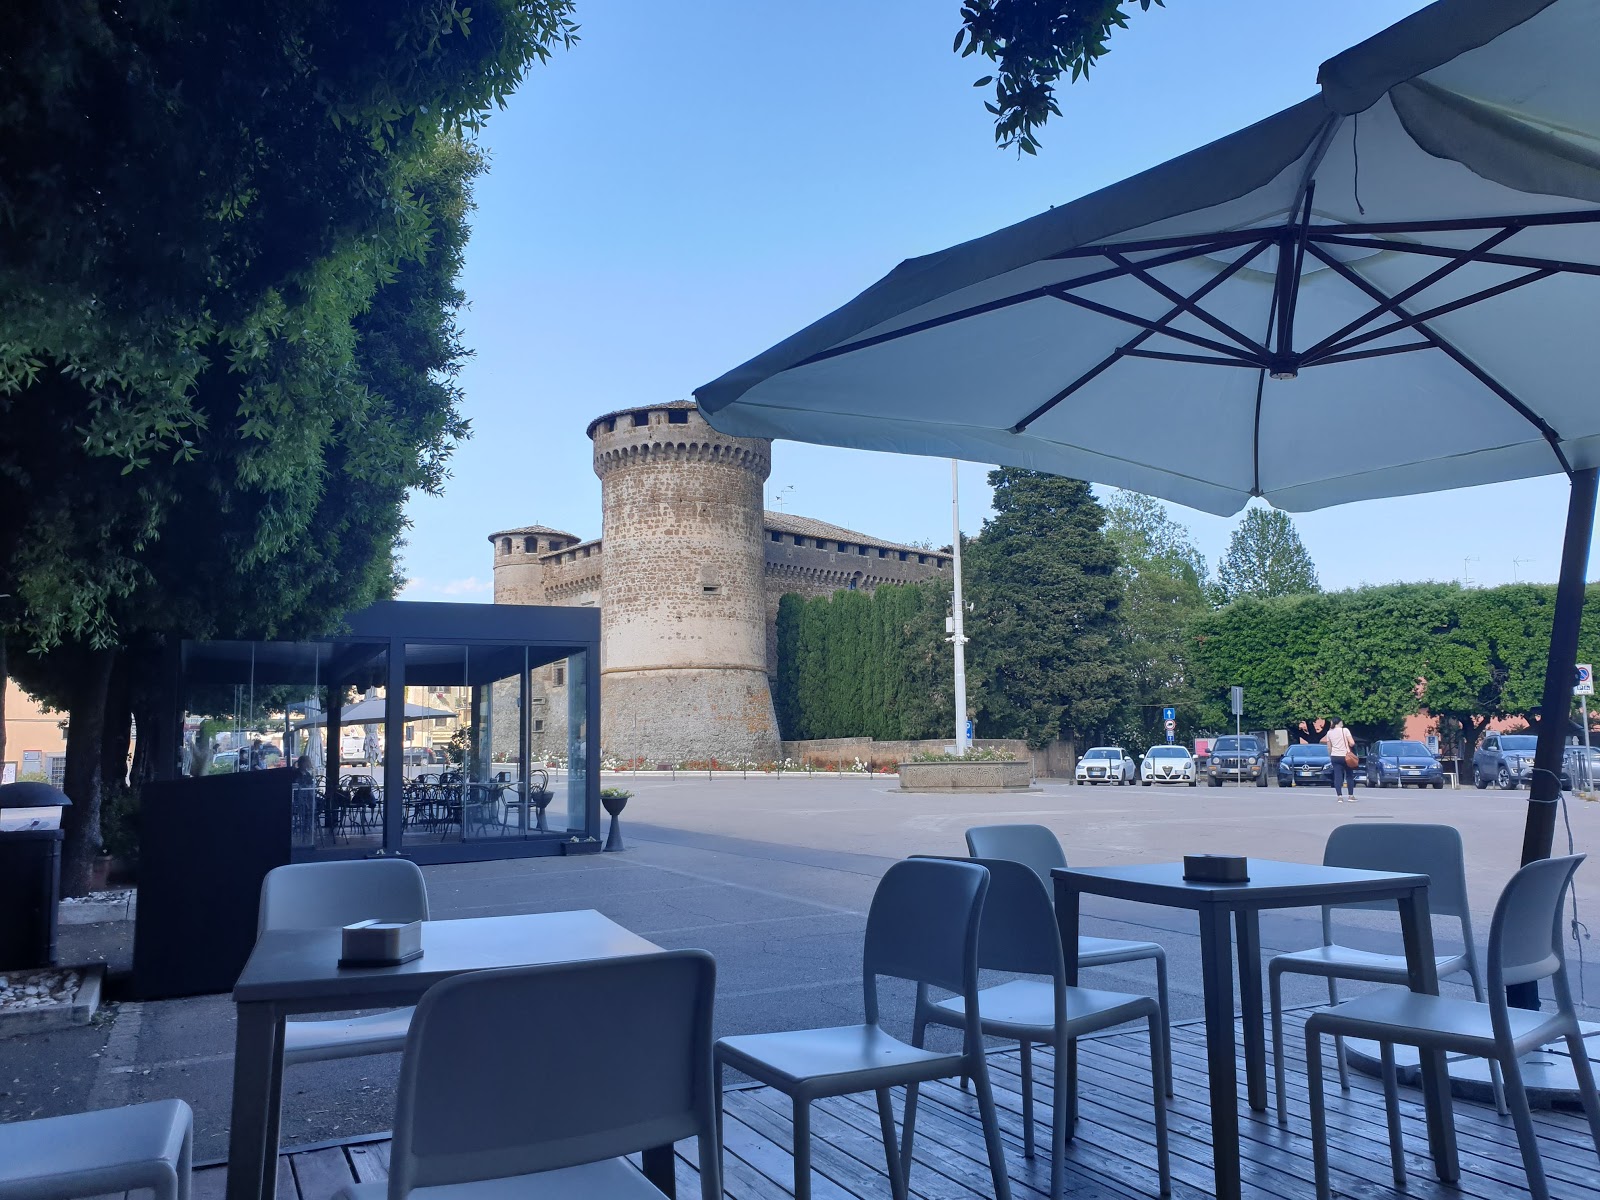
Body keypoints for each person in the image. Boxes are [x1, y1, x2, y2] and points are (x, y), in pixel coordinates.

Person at [1326, 717, 1358, 803]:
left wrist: (1330, 755)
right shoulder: (1345, 730)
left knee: (1337, 776)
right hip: (1346, 756)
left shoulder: (1329, 733)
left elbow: (1329, 747)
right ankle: (1350, 796)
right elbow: (1352, 743)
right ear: (1339, 722)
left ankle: (1339, 796)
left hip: (1335, 756)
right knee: (1349, 775)